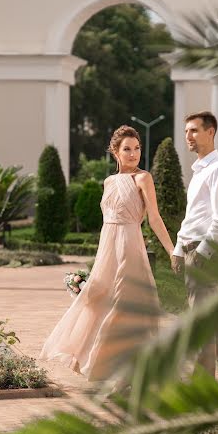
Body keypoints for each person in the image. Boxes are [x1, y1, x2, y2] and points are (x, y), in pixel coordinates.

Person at [40, 124, 174, 382]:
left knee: (127, 302)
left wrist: (171, 250)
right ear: (115, 151)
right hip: (108, 246)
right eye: (127, 149)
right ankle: (101, 362)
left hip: (130, 244)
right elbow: (107, 222)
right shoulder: (109, 181)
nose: (133, 153)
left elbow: (154, 218)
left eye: (137, 148)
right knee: (98, 300)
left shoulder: (143, 178)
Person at [171, 111, 218, 381]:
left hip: (204, 252)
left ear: (210, 132)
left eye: (193, 131)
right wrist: (179, 250)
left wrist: (202, 254)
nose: (187, 136)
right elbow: (193, 217)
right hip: (192, 249)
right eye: (186, 131)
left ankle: (201, 386)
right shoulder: (201, 170)